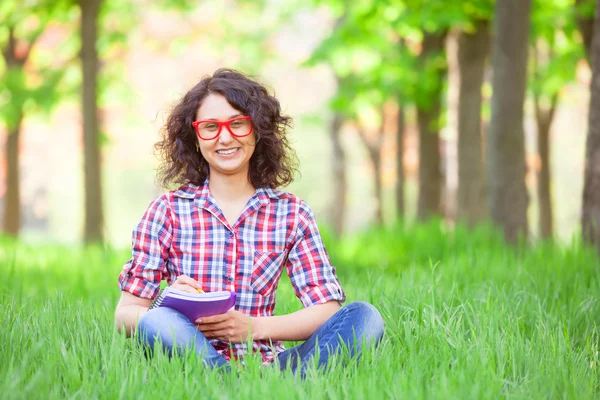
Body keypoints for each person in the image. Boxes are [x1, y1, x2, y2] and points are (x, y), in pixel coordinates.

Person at [114, 68, 384, 375]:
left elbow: (327, 309)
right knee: (158, 320)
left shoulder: (291, 213)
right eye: (210, 127)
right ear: (195, 137)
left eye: (238, 124)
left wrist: (253, 327)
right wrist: (168, 303)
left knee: (365, 317)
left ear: (257, 130)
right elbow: (126, 314)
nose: (225, 137)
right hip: (192, 362)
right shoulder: (167, 211)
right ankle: (228, 385)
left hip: (270, 365)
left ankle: (257, 388)